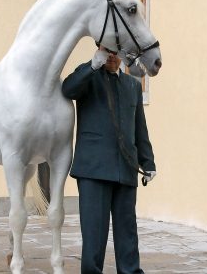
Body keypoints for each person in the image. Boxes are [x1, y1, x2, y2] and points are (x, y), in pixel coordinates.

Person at [61, 46, 156, 274]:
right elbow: (68, 88)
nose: (112, 56)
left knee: (128, 232)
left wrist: (148, 162)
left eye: (117, 52)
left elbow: (139, 128)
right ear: (101, 52)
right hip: (93, 170)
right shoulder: (88, 77)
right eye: (108, 51)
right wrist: (92, 64)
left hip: (126, 168)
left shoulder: (132, 85)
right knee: (94, 233)